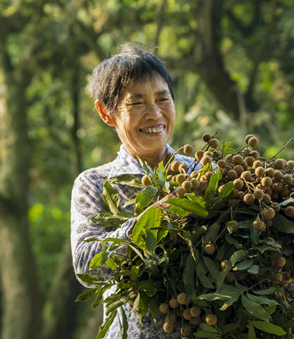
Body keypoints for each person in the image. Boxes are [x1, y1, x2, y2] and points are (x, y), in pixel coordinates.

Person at [70, 44, 198, 339]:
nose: (155, 113)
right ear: (106, 113)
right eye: (137, 103)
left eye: (163, 99)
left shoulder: (204, 174)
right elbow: (87, 267)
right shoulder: (95, 184)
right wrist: (157, 216)